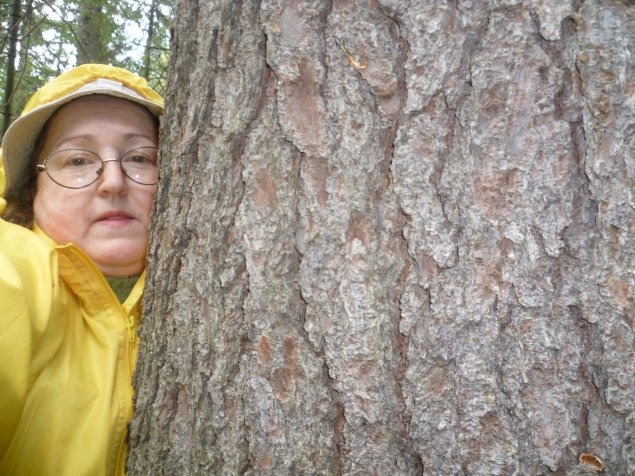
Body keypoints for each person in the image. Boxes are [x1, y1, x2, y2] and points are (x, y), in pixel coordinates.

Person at [0, 64, 163, 475]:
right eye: (76, 159)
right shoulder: (12, 267)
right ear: (31, 191)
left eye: (141, 157)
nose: (112, 181)